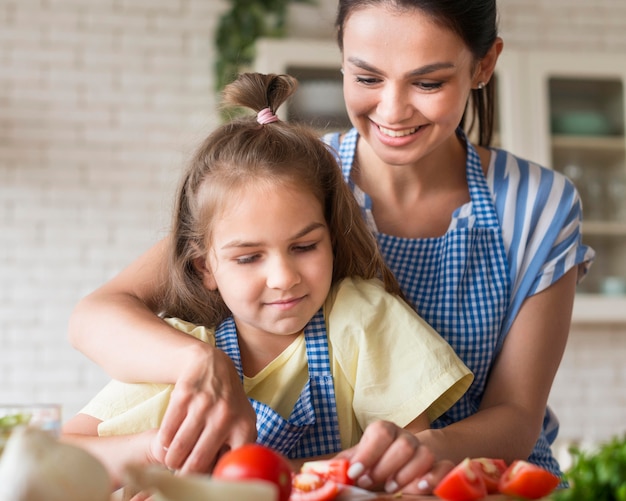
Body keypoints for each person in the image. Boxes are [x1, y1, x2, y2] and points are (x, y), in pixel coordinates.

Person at [68, 0, 594, 489]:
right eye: (366, 76)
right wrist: (201, 365)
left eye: (428, 82)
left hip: (472, 481)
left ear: (483, 64)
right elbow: (96, 315)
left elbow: (517, 417)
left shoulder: (538, 204)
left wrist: (410, 450)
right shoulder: (297, 177)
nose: (393, 110)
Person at [62, 72, 473, 495]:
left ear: (331, 238)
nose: (283, 278)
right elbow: (62, 456)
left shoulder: (364, 320)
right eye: (249, 257)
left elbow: (410, 468)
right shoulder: (179, 352)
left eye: (304, 246)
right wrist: (155, 450)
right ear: (206, 268)